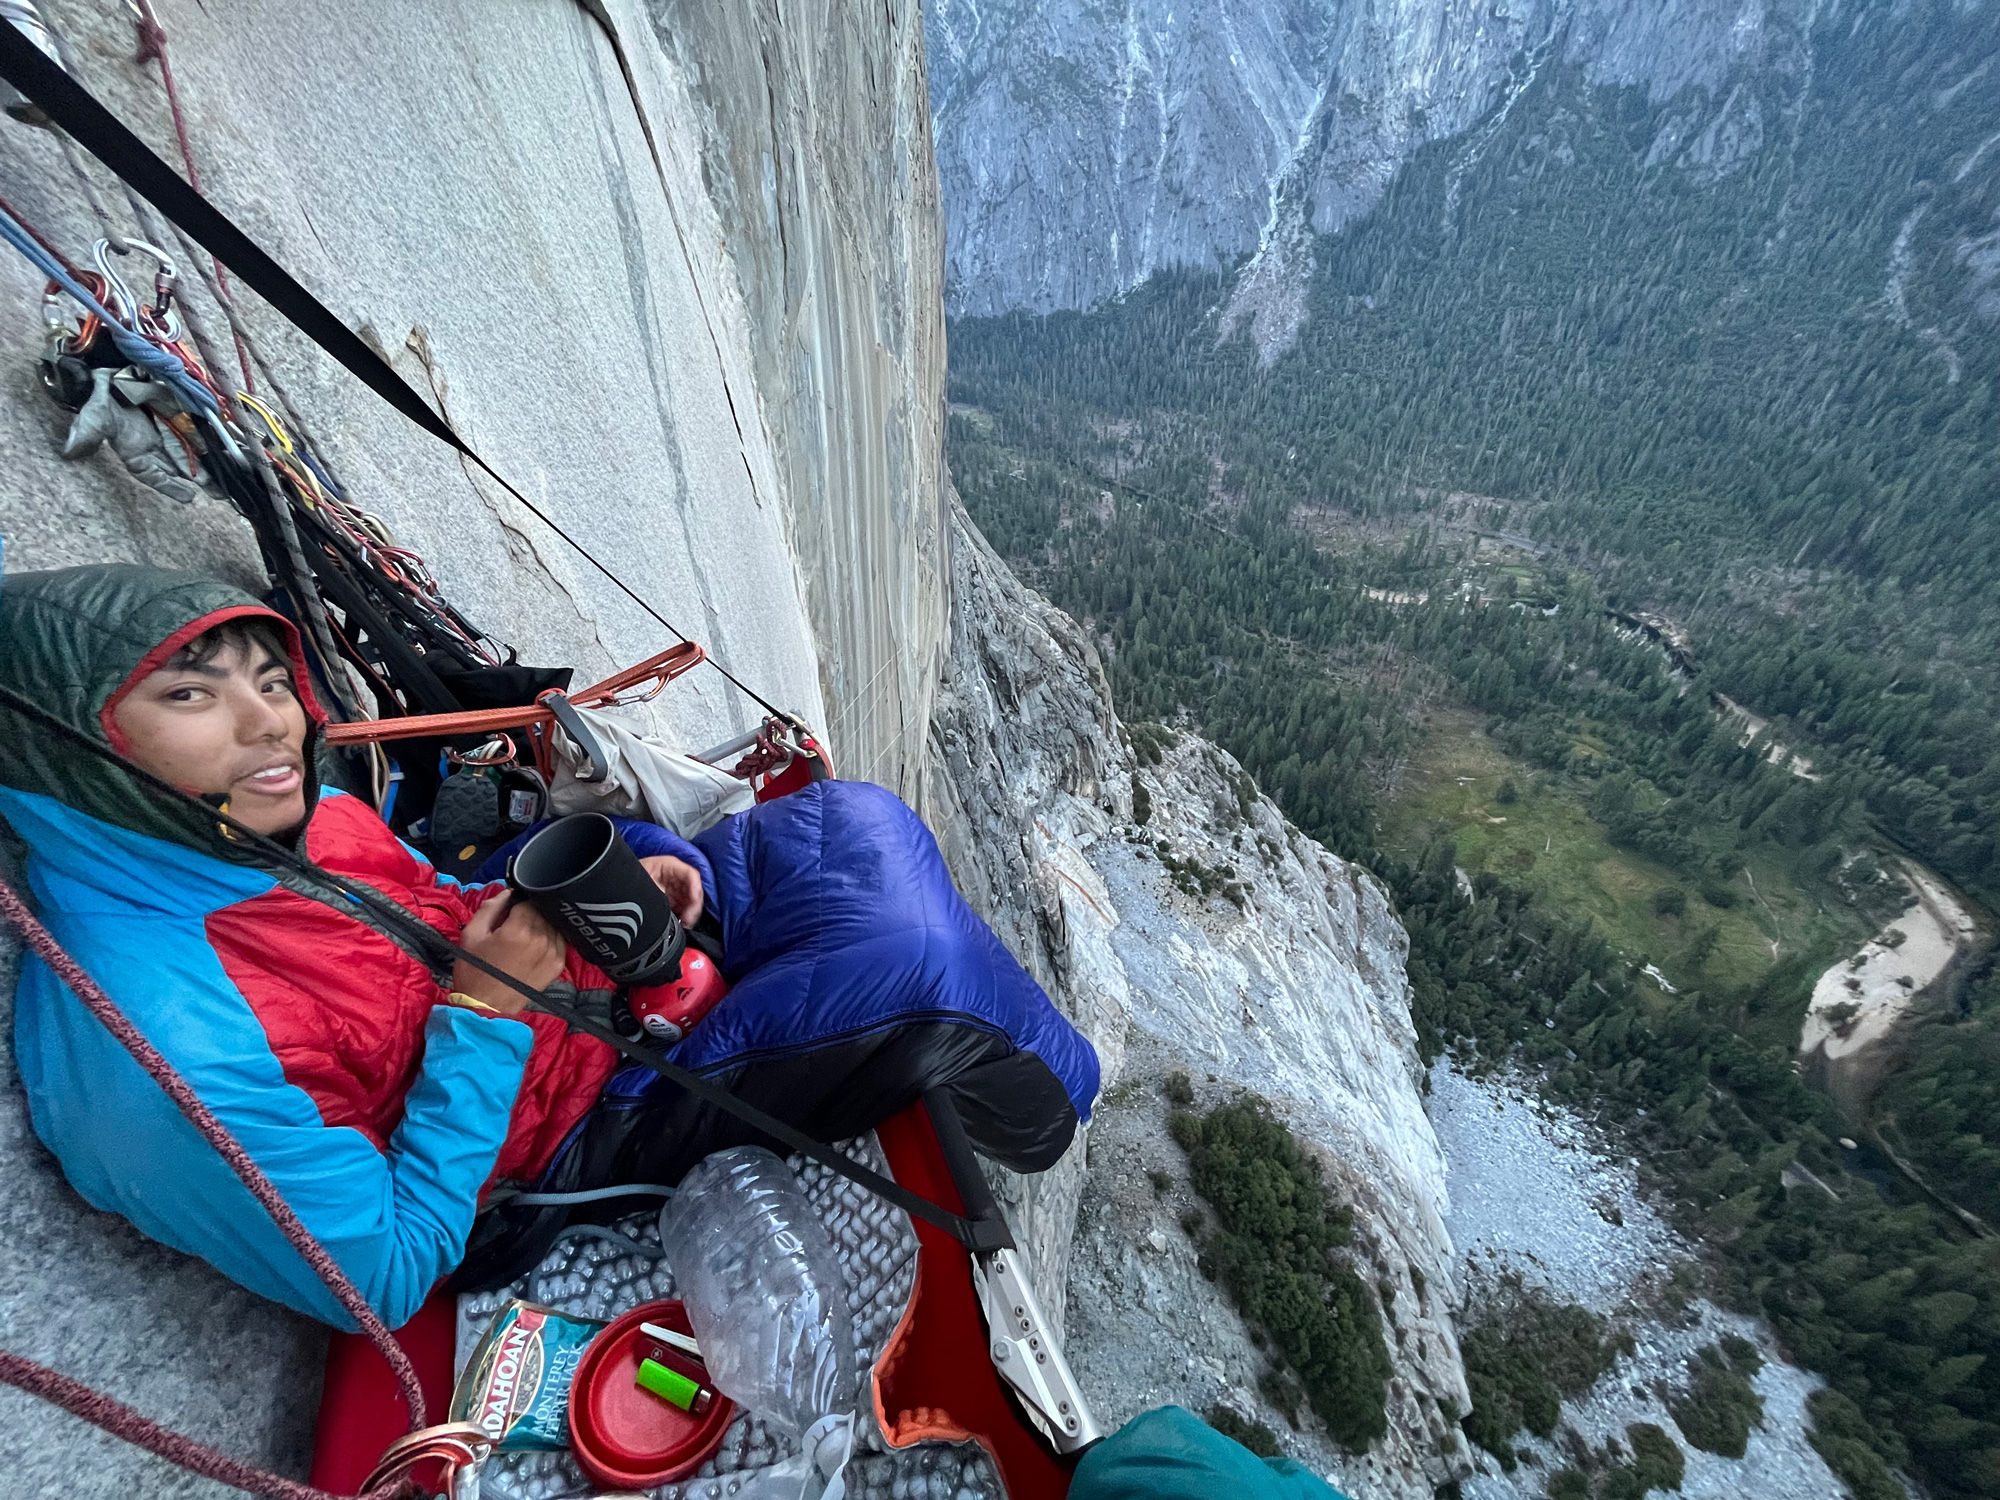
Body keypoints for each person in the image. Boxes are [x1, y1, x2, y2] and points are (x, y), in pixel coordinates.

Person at [0, 564, 1098, 1327]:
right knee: (917, 974)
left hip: (569, 1009)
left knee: (854, 821)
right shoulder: (160, 1051)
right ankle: (1055, 1115)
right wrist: (485, 1015)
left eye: (271, 680)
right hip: (557, 1148)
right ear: (74, 752)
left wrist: (622, 895)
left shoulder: (282, 821)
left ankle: (704, 922)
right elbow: (381, 1273)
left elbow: (431, 902)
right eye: (191, 694)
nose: (268, 724)